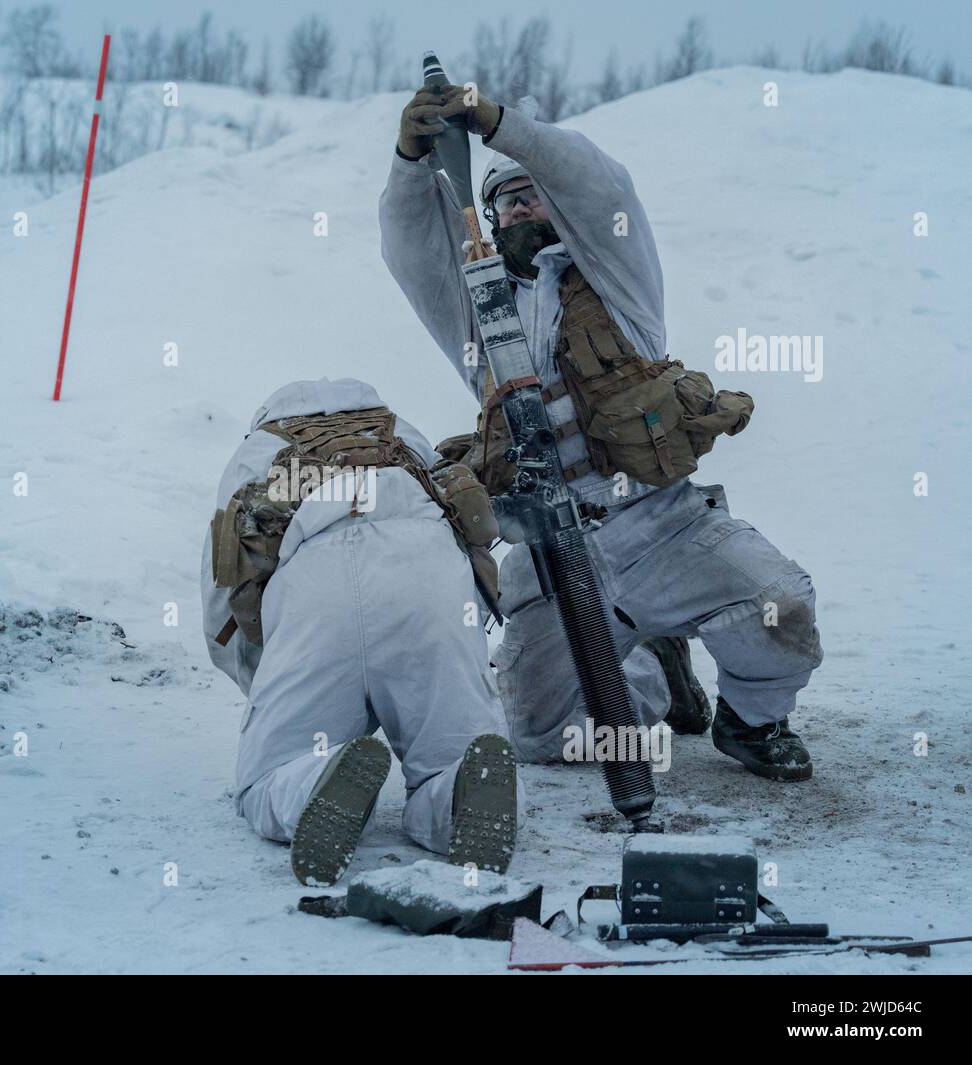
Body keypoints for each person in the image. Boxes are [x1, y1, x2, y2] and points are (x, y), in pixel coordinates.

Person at [378, 86, 823, 781]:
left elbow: (600, 186)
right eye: (506, 200)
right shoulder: (482, 316)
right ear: (492, 220)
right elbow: (413, 253)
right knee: (538, 733)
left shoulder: (622, 277)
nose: (522, 206)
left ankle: (752, 720)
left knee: (780, 611)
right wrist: (411, 161)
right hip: (558, 551)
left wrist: (502, 126)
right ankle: (647, 668)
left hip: (666, 526)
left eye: (533, 192)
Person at [202, 377, 521, 885]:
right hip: (430, 570)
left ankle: (312, 781)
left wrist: (269, 686)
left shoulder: (256, 452)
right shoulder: (399, 435)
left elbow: (224, 600)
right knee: (451, 754)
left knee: (269, 778)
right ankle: (457, 794)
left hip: (314, 586)